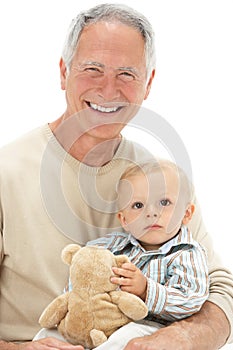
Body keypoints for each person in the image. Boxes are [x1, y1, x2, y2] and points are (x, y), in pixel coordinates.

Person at [0, 3, 232, 350]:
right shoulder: (8, 173)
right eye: (93, 69)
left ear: (148, 84)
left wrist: (182, 337)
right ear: (63, 72)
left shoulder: (163, 181)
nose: (109, 90)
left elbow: (220, 290)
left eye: (127, 74)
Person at [34, 159, 210, 349]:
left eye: (164, 202)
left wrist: (146, 290)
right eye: (138, 205)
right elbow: (83, 269)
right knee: (49, 333)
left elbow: (191, 300)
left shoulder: (187, 253)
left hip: (150, 327)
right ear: (123, 219)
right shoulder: (111, 246)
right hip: (101, 319)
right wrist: (79, 300)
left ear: (187, 213)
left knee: (127, 336)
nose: (151, 212)